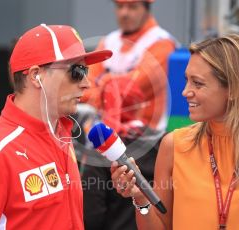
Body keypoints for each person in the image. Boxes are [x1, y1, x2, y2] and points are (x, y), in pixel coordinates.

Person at [110, 34, 239, 229]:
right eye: (187, 80)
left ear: (234, 89)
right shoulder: (174, 145)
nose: (185, 91)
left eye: (197, 83)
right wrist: (140, 197)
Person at [0, 24, 112, 229]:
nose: (87, 83)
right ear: (36, 75)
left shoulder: (62, 134)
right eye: (77, 71)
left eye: (86, 70)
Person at [79, 0, 177, 229]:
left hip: (147, 145)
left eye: (132, 7)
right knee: (96, 211)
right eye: (120, 6)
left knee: (136, 209)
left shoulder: (162, 43)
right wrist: (110, 87)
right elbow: (84, 89)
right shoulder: (108, 41)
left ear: (146, 7)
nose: (124, 13)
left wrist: (103, 83)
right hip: (107, 142)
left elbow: (131, 89)